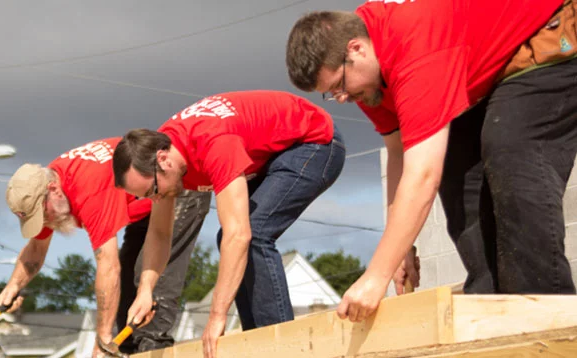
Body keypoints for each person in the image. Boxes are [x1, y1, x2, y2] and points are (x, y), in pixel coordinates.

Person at [286, 0, 577, 323]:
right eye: (330, 93)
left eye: (338, 86)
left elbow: (423, 175)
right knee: (459, 176)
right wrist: (398, 250)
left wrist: (375, 276)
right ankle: (492, 316)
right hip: (480, 71)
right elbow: (399, 154)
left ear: (356, 49)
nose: (340, 98)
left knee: (510, 149)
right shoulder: (366, 80)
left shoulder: (414, 47)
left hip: (545, 30)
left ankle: (549, 317)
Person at [112, 90, 346, 358]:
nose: (155, 198)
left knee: (252, 233)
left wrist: (216, 316)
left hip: (315, 143)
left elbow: (240, 235)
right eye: (146, 196)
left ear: (163, 160)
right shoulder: (163, 155)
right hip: (274, 152)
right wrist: (145, 290)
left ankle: (281, 348)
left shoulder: (212, 142)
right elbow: (160, 233)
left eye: (153, 190)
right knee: (230, 239)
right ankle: (258, 342)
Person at [0, 138, 210, 356]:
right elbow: (36, 248)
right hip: (144, 200)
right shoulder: (47, 185)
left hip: (176, 182)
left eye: (42, 216)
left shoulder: (88, 190)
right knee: (129, 283)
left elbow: (109, 267)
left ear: (54, 190)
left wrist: (102, 339)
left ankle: (153, 348)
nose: (44, 223)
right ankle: (126, 351)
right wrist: (13, 286)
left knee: (153, 284)